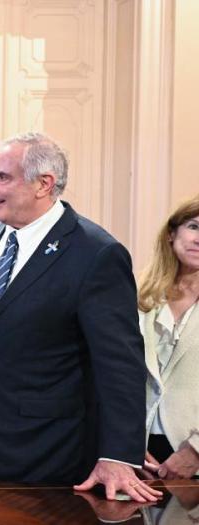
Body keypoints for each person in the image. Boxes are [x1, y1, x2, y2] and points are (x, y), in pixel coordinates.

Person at [0, 132, 160, 503]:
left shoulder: (96, 253)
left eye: (2, 177)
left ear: (43, 184)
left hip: (48, 456)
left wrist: (117, 455)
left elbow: (120, 364)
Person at [137, 196, 199, 481]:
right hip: (137, 455)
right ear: (172, 233)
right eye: (194, 226)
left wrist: (196, 452)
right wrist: (122, 445)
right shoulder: (139, 299)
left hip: (192, 453)